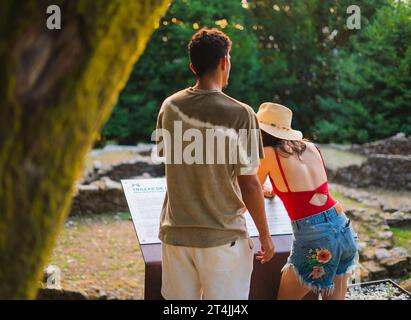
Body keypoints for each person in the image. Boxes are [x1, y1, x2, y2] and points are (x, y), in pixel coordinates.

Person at [155, 28, 274, 300]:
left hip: (176, 235)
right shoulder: (241, 114)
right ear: (224, 62)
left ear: (192, 66)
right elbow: (250, 184)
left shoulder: (169, 107)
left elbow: (171, 159)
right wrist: (265, 237)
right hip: (223, 239)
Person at [256, 102, 359, 300]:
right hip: (342, 227)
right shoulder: (311, 147)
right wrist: (273, 191)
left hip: (316, 238)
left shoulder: (267, 155)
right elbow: (305, 190)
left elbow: (251, 189)